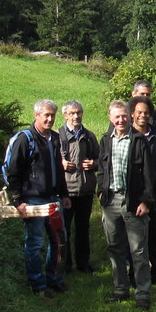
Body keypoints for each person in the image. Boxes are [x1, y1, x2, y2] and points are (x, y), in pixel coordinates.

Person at [1, 99, 71, 298]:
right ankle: (37, 285)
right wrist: (17, 201)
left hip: (53, 198)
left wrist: (64, 194)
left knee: (59, 241)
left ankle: (55, 279)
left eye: (52, 116)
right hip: (32, 200)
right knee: (35, 243)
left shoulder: (55, 139)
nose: (49, 119)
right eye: (46, 115)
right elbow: (13, 172)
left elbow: (59, 169)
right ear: (36, 116)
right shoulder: (25, 139)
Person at [97, 100, 156, 310]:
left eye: (124, 116)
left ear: (129, 116)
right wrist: (100, 190)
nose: (121, 120)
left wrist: (147, 202)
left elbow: (150, 175)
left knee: (138, 251)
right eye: (117, 116)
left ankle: (142, 294)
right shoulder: (106, 140)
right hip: (111, 201)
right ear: (110, 119)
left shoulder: (139, 141)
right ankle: (120, 289)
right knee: (114, 248)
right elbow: (102, 168)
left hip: (133, 203)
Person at [132, 94, 156, 284]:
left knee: (155, 237)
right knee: (134, 239)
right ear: (133, 114)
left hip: (155, 192)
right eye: (139, 112)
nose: (143, 116)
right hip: (134, 194)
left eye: (146, 113)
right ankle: (135, 277)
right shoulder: (128, 135)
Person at [57, 100, 98, 275]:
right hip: (66, 191)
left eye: (79, 112)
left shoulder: (89, 136)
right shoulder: (57, 137)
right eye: (72, 113)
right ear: (65, 115)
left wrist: (93, 164)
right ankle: (65, 266)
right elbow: (50, 163)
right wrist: (62, 163)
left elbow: (101, 161)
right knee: (63, 230)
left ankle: (83, 263)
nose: (76, 116)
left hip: (86, 190)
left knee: (83, 229)